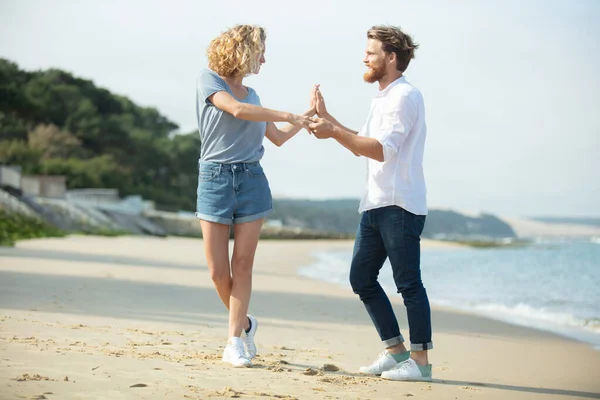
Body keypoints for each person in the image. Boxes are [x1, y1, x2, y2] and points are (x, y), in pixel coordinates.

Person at [308, 25, 433, 381]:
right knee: (361, 278)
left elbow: (381, 150)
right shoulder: (383, 96)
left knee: (408, 283)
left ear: (391, 58)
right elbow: (362, 141)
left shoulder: (405, 97)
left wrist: (333, 131)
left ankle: (421, 363)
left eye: (372, 53)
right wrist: (328, 119)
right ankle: (397, 353)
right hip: (375, 202)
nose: (364, 58)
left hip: (400, 204)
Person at [196, 24, 315, 367]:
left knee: (243, 264)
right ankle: (247, 324)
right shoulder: (210, 80)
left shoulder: (255, 94)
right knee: (219, 271)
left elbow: (276, 137)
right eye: (261, 50)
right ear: (245, 50)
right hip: (215, 179)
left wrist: (304, 119)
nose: (264, 58)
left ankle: (234, 340)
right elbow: (235, 110)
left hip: (251, 179)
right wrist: (288, 113)